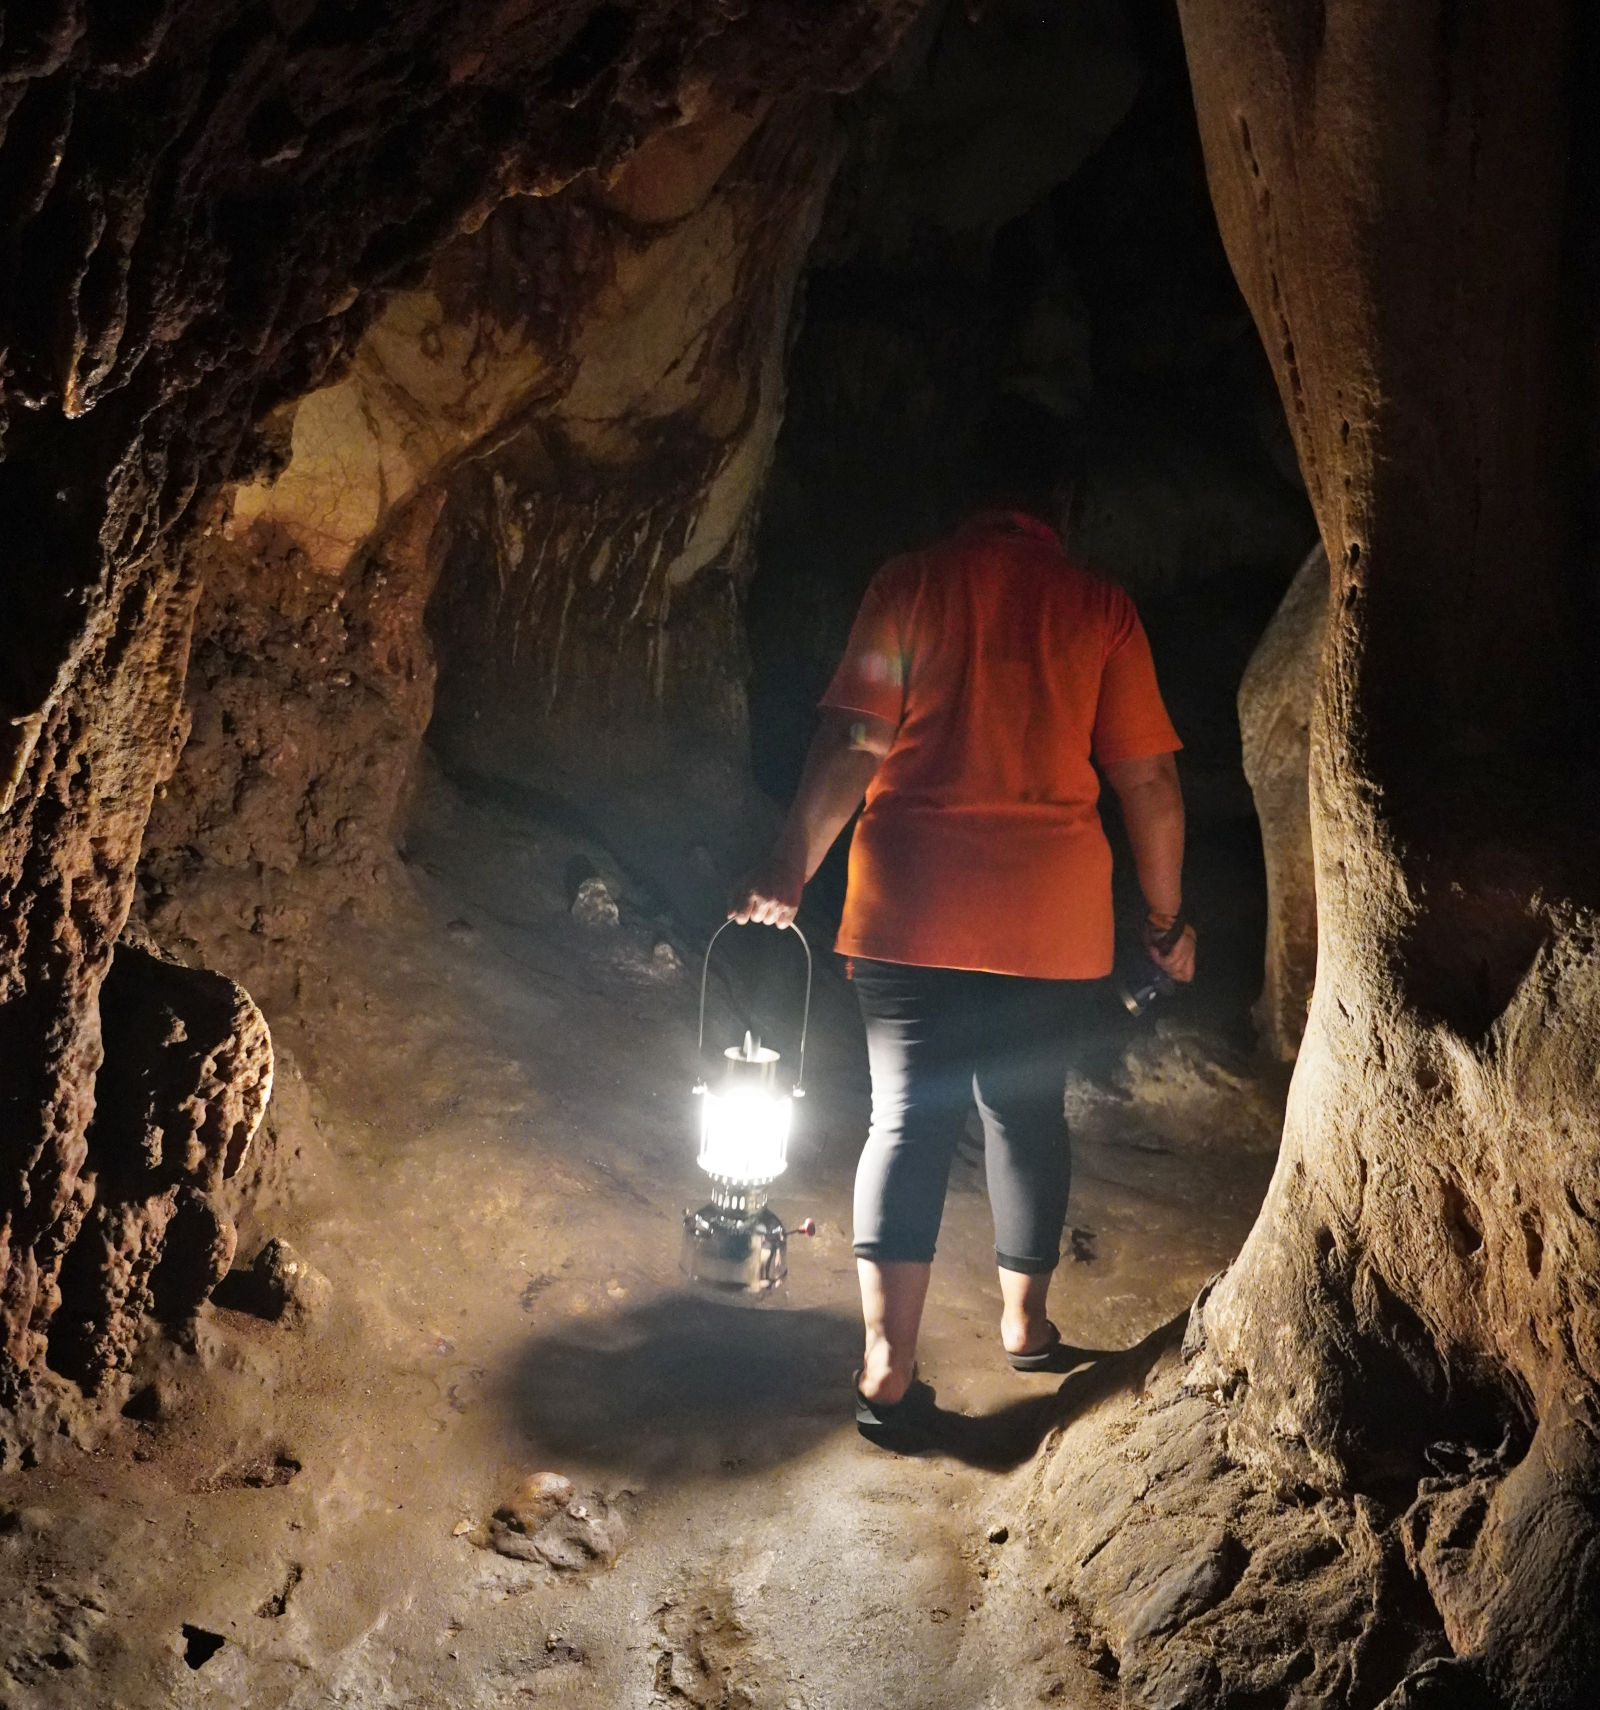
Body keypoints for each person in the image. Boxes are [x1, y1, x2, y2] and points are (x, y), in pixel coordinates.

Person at [731, 398, 1195, 1439]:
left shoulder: (910, 584)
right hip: (1048, 920)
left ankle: (887, 1373)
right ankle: (1026, 1327)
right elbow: (1149, 782)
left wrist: (788, 865)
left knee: (904, 1120)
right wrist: (1164, 920)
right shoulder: (1099, 608)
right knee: (1024, 1113)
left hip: (907, 906)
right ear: (1059, 506)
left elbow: (855, 737)